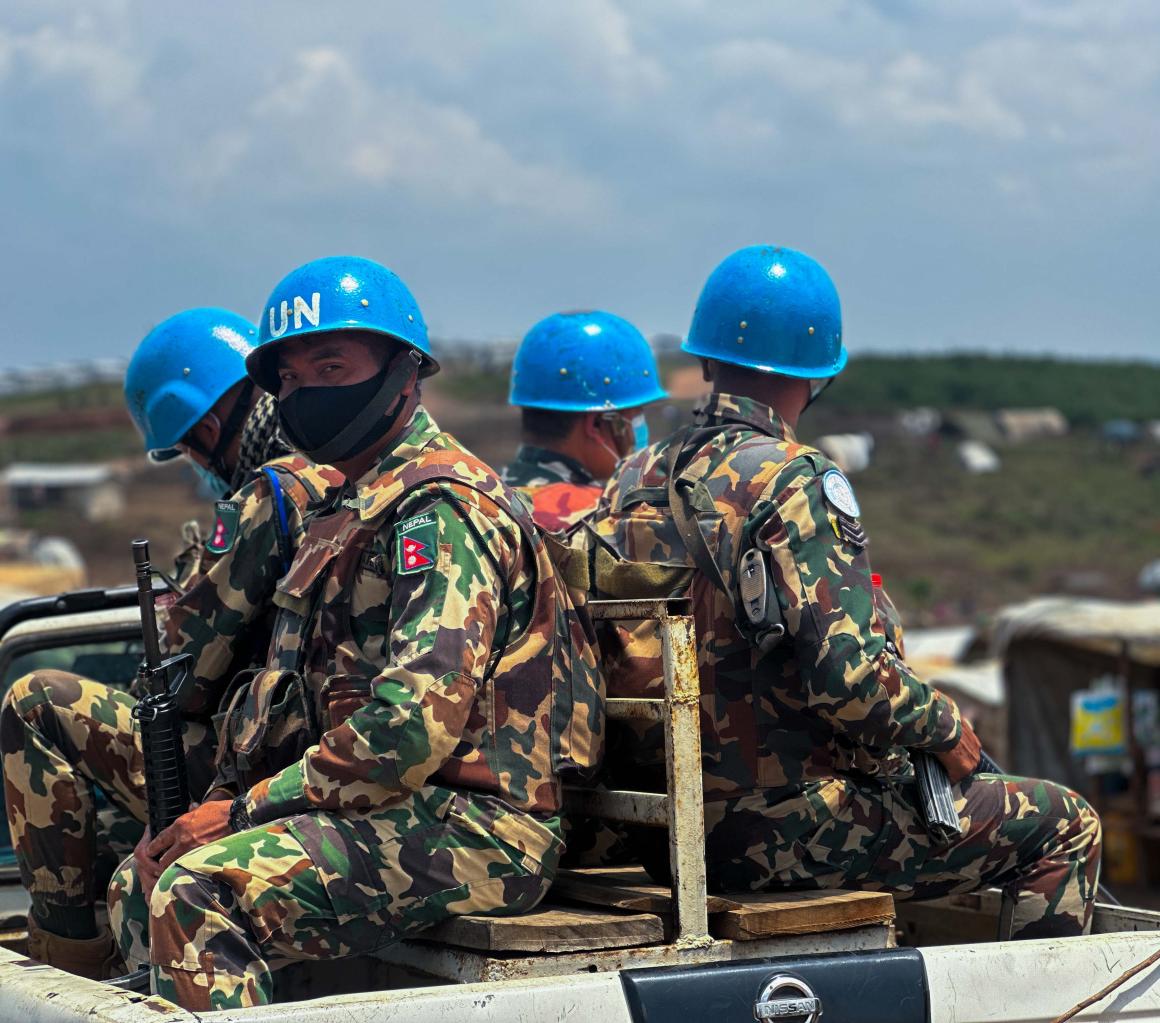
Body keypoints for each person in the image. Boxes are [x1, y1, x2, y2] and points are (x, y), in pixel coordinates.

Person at [106, 256, 603, 1010]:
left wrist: (241, 813)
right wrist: (207, 808)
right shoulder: (342, 508)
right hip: (377, 809)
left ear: (405, 371)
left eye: (331, 365)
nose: (307, 393)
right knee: (136, 882)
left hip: (478, 826)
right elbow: (285, 704)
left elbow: (409, 726)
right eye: (292, 380)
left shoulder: (439, 506)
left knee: (196, 893)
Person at [592, 245, 1101, 938]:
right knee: (1067, 824)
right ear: (819, 370)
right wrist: (949, 729)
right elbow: (850, 680)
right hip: (777, 831)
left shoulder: (631, 478)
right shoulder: (794, 479)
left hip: (657, 833)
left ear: (705, 358)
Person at [0, 308, 342, 978]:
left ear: (207, 427)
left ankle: (70, 956)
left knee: (36, 700)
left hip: (260, 760)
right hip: (304, 757)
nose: (193, 463)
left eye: (186, 449)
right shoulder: (345, 477)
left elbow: (187, 665)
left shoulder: (269, 494)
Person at [502, 310, 667, 531]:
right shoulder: (604, 520)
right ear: (597, 424)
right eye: (635, 416)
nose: (640, 428)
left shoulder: (483, 497)